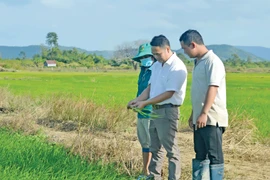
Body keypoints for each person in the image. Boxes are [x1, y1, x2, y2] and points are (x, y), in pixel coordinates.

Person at [128, 35, 187, 180]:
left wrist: (145, 103)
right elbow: (150, 87)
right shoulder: (156, 65)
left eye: (158, 54)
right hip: (155, 110)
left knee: (171, 150)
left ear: (167, 49)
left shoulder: (177, 67)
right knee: (155, 148)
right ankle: (154, 176)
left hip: (168, 110)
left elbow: (169, 93)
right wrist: (137, 100)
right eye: (154, 54)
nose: (156, 56)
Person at [179, 29, 228, 180]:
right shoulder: (198, 62)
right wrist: (194, 113)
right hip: (200, 118)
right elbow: (199, 92)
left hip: (211, 118)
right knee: (200, 153)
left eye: (185, 48)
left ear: (193, 44)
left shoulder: (213, 61)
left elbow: (212, 87)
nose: (184, 52)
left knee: (214, 155)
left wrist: (204, 112)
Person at [129, 43, 155, 180]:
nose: (144, 59)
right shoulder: (143, 71)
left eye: (147, 56)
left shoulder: (156, 71)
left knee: (152, 144)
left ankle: (153, 173)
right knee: (144, 143)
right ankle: (145, 171)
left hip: (151, 112)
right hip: (141, 112)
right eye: (142, 57)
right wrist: (135, 101)